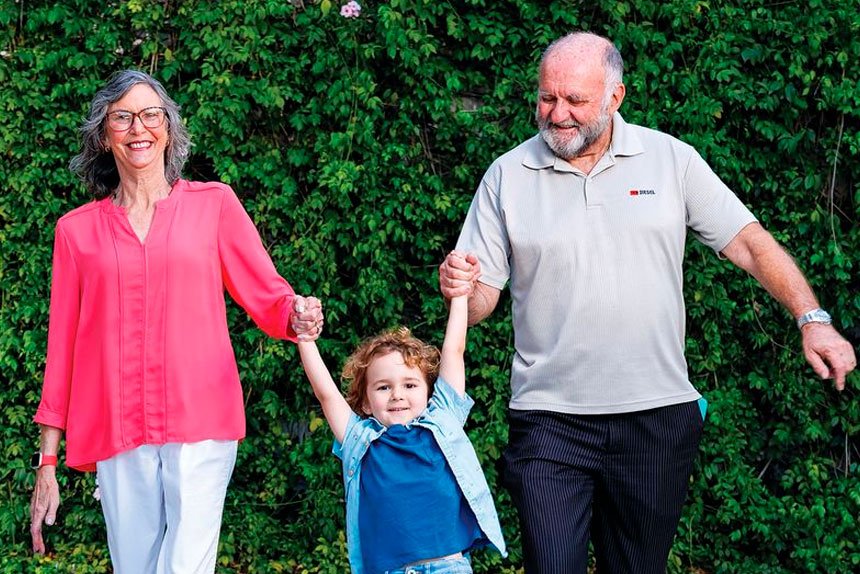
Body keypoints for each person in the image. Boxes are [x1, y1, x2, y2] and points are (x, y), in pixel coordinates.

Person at [438, 31, 857, 574]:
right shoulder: (507, 175)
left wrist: (813, 318)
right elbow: (482, 299)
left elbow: (750, 245)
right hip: (548, 421)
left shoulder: (670, 160)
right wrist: (460, 288)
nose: (556, 113)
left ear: (616, 97)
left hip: (655, 419)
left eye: (575, 100)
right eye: (546, 97)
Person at [29, 69, 324, 573]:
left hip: (202, 418)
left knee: (185, 565)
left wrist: (296, 312)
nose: (137, 127)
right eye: (122, 117)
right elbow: (63, 352)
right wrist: (48, 461)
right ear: (105, 135)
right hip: (116, 425)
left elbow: (268, 294)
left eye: (150, 114)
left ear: (168, 128)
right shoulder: (75, 233)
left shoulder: (215, 205)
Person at [295, 260, 507, 574]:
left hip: (449, 567)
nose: (397, 395)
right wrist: (304, 338)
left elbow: (454, 349)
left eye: (409, 385)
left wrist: (460, 295)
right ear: (365, 402)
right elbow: (326, 393)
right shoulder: (360, 441)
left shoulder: (443, 421)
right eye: (383, 387)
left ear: (427, 391)